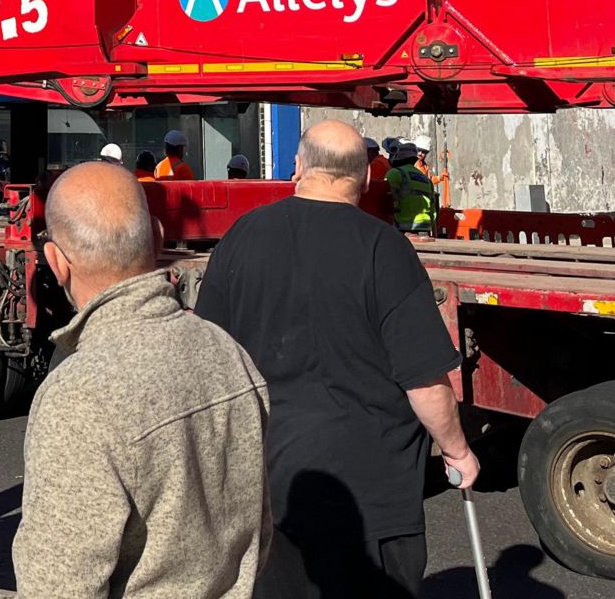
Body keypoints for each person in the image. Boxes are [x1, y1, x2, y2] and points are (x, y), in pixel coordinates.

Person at [195, 121, 476, 599]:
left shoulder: (242, 236)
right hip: (374, 497)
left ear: (298, 167)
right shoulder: (384, 248)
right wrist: (457, 451)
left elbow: (208, 361)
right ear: (366, 178)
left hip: (275, 490)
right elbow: (425, 382)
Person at [15, 161, 270, 597]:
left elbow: (58, 586)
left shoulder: (77, 397)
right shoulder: (226, 351)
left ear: (56, 263)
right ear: (157, 236)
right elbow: (259, 527)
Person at [386, 137, 437, 236]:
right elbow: (433, 211)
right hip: (425, 227)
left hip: (403, 228)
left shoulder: (395, 173)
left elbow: (388, 201)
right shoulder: (426, 179)